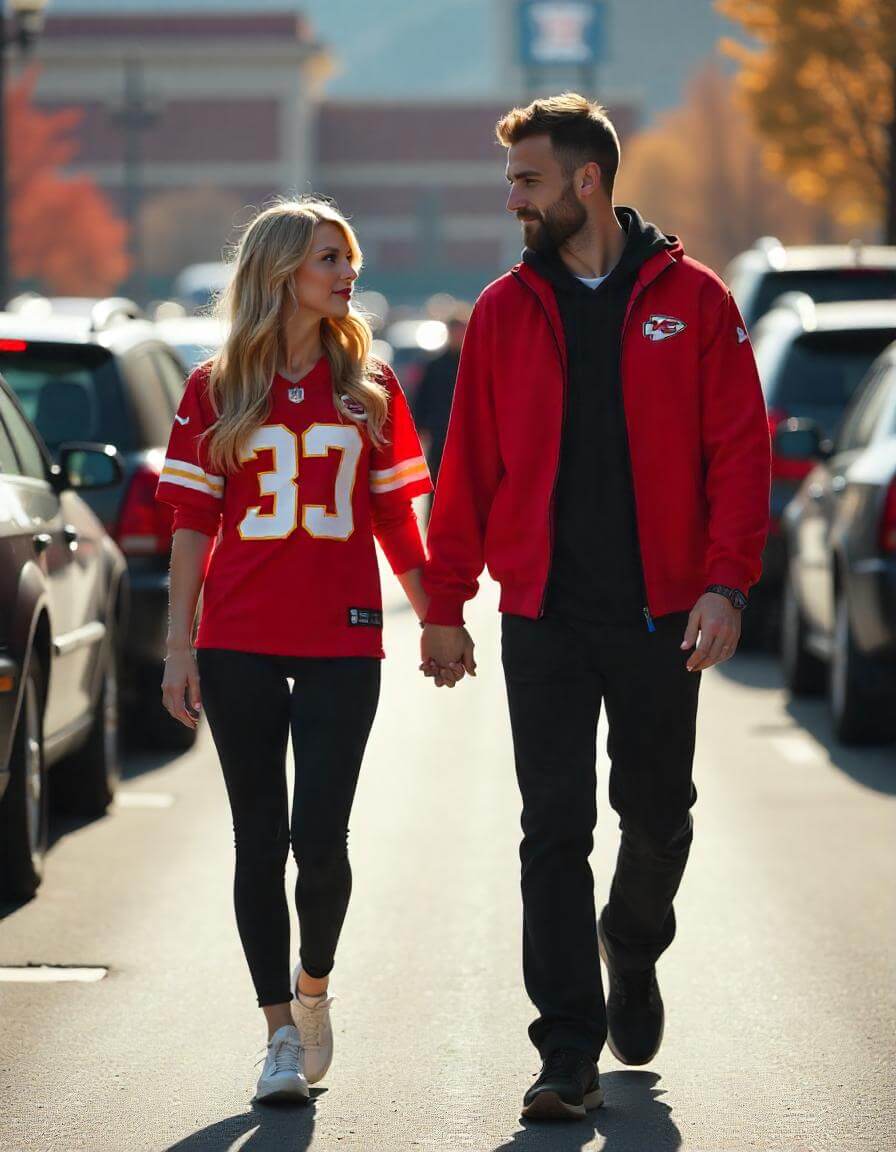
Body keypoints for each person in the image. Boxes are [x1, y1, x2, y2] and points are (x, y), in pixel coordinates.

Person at [420, 94, 770, 1121]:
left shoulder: (692, 299)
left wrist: (724, 582)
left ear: (585, 181)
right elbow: (467, 469)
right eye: (509, 183)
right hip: (543, 615)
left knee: (657, 817)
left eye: (527, 181)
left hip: (664, 612)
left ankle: (632, 938)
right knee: (551, 829)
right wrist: (447, 602)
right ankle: (564, 1049)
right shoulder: (500, 310)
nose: (513, 201)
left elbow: (737, 452)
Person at [157, 198, 431, 1105]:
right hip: (237, 638)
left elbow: (395, 516)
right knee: (257, 837)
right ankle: (277, 1032)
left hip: (343, 638)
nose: (346, 273)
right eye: (328, 258)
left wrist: (436, 613)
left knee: (321, 838)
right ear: (283, 272)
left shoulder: (373, 386)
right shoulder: (217, 385)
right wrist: (179, 650)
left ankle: (314, 989)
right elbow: (192, 526)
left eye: (348, 257)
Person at [411, 304, 470, 484]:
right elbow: (422, 400)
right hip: (440, 436)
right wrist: (418, 432)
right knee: (438, 484)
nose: (459, 336)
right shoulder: (434, 366)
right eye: (456, 331)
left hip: (471, 438)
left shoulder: (477, 365)